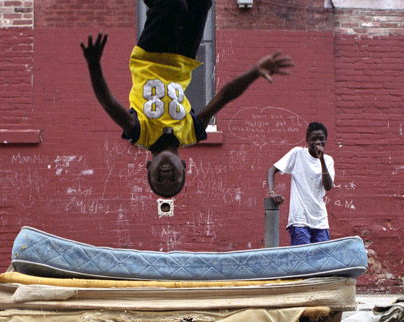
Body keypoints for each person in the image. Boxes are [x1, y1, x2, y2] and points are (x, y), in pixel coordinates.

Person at [80, 0, 294, 198]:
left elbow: (107, 102)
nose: (166, 175)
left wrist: (93, 64)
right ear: (183, 167)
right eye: (173, 178)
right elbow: (224, 97)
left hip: (151, 55)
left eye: (159, 178)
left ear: (148, 168)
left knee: (173, 5)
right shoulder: (190, 131)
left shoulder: (140, 133)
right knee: (201, 4)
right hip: (184, 56)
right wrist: (254, 72)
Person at [267, 121, 334, 246]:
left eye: (321, 139)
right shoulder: (297, 154)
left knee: (322, 260)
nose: (318, 142)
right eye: (314, 139)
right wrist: (272, 192)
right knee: (302, 259)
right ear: (307, 140)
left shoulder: (328, 160)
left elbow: (328, 186)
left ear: (326, 141)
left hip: (320, 220)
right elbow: (272, 170)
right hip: (299, 220)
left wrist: (322, 160)